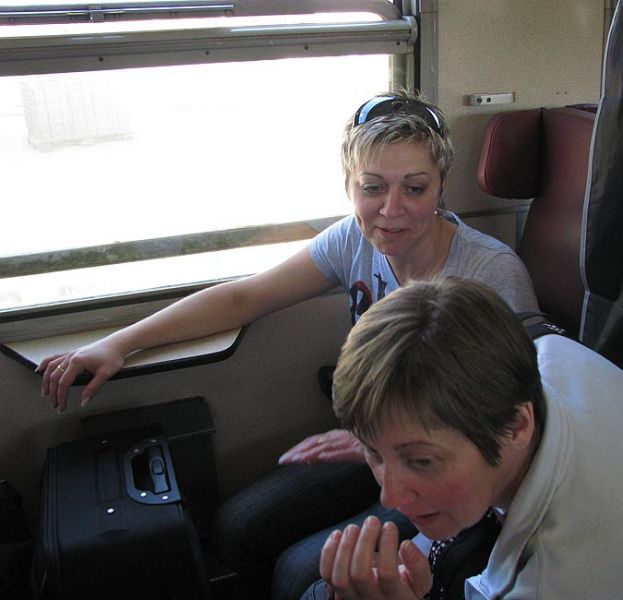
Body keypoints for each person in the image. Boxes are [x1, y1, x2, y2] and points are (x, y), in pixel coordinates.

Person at [37, 92, 538, 598]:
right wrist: (119, 343)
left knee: (302, 574)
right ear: (349, 186)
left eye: (414, 188)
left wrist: (380, 448)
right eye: (372, 188)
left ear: (441, 187)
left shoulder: (489, 272)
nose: (391, 210)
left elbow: (515, 419)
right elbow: (244, 298)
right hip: (372, 444)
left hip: (442, 464)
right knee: (236, 528)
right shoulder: (353, 240)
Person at [301, 278, 623, 600]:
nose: (390, 497)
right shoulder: (547, 348)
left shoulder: (547, 581)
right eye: (373, 452)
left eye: (422, 460)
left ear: (515, 427)